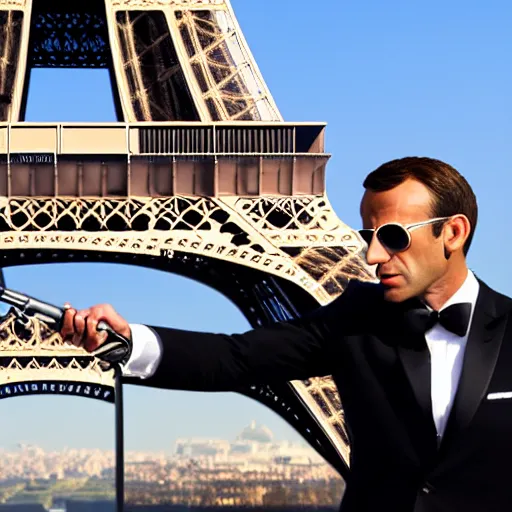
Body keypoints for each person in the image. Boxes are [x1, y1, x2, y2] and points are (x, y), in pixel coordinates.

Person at [60, 157, 512, 512]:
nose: (373, 255)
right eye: (367, 235)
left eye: (392, 236)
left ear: (453, 232)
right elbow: (234, 357)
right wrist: (126, 342)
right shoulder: (354, 319)